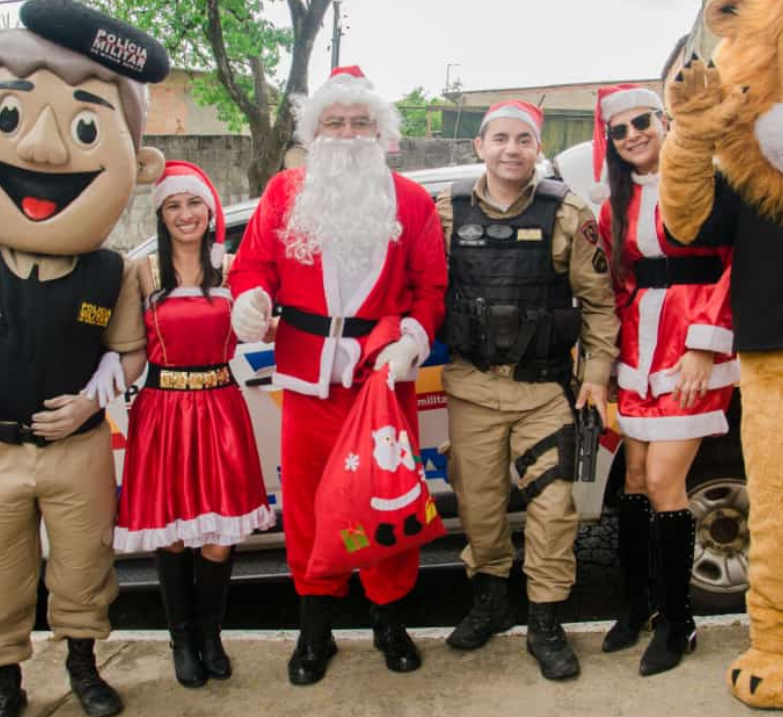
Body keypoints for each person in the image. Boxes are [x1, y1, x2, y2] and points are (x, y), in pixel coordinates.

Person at [0, 0, 169, 717]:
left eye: (86, 127)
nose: (40, 149)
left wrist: (91, 401)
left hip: (78, 450)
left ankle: (84, 667)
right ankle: (5, 682)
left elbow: (129, 357)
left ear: (138, 164)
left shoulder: (111, 271)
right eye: (9, 118)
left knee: (84, 567)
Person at [228, 66, 447, 685]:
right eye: (335, 122)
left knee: (387, 497)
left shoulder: (412, 201)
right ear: (314, 132)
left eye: (360, 123)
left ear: (380, 132)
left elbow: (431, 288)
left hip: (382, 380)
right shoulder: (284, 193)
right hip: (307, 379)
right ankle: (315, 629)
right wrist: (249, 300)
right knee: (308, 508)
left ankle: (389, 621)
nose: (347, 133)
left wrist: (411, 341)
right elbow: (252, 268)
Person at [437, 100, 619, 681]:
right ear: (480, 146)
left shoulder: (568, 212)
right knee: (478, 506)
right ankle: (491, 602)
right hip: (472, 389)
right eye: (500, 139)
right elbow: (419, 287)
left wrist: (596, 377)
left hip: (544, 393)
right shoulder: (447, 213)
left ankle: (545, 620)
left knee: (554, 508)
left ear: (537, 148)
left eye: (523, 140)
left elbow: (599, 304)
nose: (511, 150)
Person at [112, 161, 275, 688]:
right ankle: (181, 640)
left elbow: (264, 328)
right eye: (173, 206)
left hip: (221, 408)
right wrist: (98, 383)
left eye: (193, 204)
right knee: (174, 537)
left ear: (210, 211)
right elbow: (127, 346)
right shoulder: (143, 272)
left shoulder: (234, 270)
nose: (185, 215)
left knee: (218, 540)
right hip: (162, 411)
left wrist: (271, 323)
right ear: (161, 215)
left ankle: (211, 635)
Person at [592, 85, 737, 676]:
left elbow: (737, 264)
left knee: (661, 480)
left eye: (641, 122)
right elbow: (617, 285)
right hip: (638, 350)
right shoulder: (614, 206)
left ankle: (679, 622)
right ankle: (637, 607)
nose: (633, 136)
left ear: (665, 120)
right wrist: (610, 361)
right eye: (620, 130)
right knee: (632, 478)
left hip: (691, 348)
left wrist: (705, 345)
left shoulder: (711, 183)